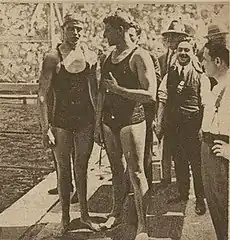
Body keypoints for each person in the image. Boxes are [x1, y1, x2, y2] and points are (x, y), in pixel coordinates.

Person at [94, 10, 157, 240]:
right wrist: (96, 124)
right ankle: (115, 212)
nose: (104, 35)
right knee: (115, 170)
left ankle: (142, 226)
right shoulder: (107, 57)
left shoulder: (140, 56)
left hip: (132, 121)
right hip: (109, 121)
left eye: (107, 31)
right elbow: (101, 93)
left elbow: (150, 95)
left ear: (120, 30)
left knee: (137, 173)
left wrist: (119, 90)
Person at [38, 13, 100, 235]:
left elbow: (95, 93)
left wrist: (99, 122)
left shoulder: (89, 56)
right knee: (64, 172)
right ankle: (65, 217)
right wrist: (46, 129)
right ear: (63, 29)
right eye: (72, 28)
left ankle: (84, 215)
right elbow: (43, 95)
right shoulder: (52, 58)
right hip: (61, 121)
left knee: (81, 169)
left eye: (80, 29)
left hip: (85, 120)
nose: (76, 33)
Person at [156, 37, 210, 215]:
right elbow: (162, 99)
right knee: (178, 161)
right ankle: (183, 193)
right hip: (173, 126)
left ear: (192, 52)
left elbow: (205, 104)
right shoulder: (169, 74)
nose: (183, 53)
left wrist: (202, 128)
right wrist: (159, 123)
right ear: (176, 52)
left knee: (196, 163)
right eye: (180, 50)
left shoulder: (200, 76)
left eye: (187, 50)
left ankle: (200, 199)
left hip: (192, 126)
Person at [201, 40, 229, 240]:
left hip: (222, 152)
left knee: (224, 206)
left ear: (217, 61)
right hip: (209, 147)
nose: (202, 63)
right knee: (215, 205)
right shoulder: (216, 86)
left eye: (205, 59)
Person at [128, 22, 161, 188]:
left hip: (145, 109)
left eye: (132, 35)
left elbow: (154, 89)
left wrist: (154, 116)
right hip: (127, 111)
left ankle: (147, 185)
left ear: (138, 37)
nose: (129, 38)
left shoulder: (148, 56)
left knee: (145, 149)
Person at [158, 20, 190, 187]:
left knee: (182, 150)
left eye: (175, 36)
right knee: (165, 144)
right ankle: (165, 178)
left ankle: (183, 184)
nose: (171, 39)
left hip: (183, 111)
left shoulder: (189, 58)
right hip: (166, 108)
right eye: (169, 36)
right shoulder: (161, 58)